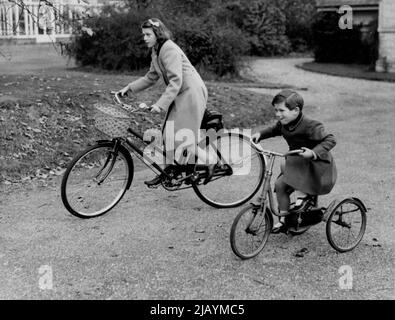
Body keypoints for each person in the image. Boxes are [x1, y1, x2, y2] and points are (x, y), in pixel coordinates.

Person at [118, 18, 216, 186]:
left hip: (190, 92)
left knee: (182, 138)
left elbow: (176, 80)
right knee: (167, 135)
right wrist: (129, 88)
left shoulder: (168, 49)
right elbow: (151, 77)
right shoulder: (156, 51)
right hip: (181, 93)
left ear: (158, 34)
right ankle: (169, 172)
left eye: (148, 34)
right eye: (143, 35)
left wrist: (160, 104)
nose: (145, 38)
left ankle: (211, 161)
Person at [251, 90, 337, 233]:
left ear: (296, 110)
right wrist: (260, 134)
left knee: (287, 165)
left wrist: (313, 152)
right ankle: (284, 219)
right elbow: (274, 130)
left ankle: (303, 196)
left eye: (281, 110)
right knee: (280, 185)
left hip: (316, 166)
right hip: (297, 164)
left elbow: (330, 139)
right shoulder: (285, 123)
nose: (277, 114)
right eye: (275, 110)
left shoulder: (310, 125)